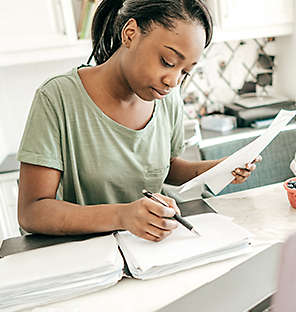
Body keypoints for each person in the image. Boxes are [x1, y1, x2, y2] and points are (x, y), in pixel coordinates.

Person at [17, 0, 260, 242]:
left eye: (185, 71)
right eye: (167, 62)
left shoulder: (168, 99)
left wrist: (219, 168)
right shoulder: (57, 98)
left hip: (151, 248)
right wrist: (123, 215)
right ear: (130, 34)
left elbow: (164, 168)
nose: (173, 81)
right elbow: (32, 212)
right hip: (89, 254)